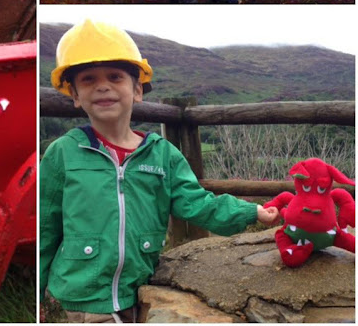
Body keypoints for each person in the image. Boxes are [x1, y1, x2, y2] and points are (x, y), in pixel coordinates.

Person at [40, 20, 279, 323]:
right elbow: (46, 227)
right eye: (88, 80)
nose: (103, 86)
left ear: (137, 89)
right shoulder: (63, 153)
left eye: (115, 76)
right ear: (74, 95)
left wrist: (251, 212)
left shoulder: (162, 154)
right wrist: (40, 293)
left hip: (140, 291)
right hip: (79, 298)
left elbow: (198, 203)